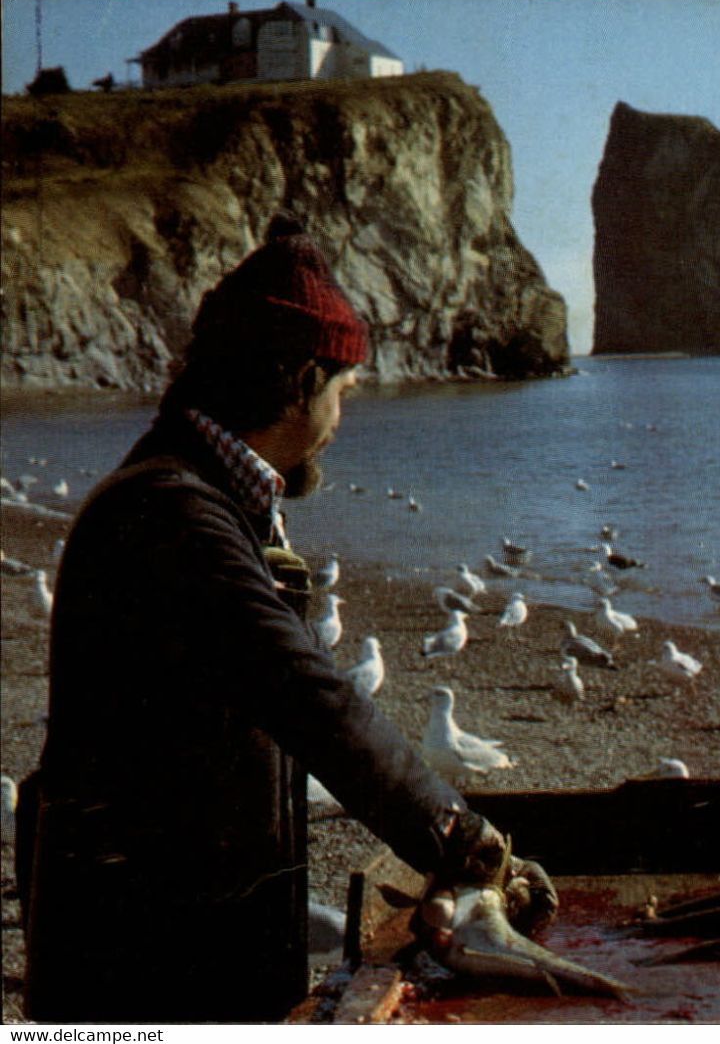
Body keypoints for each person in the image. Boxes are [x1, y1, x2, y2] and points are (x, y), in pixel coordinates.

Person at [21, 217, 553, 1022]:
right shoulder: (171, 512)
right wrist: (466, 844)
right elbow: (307, 694)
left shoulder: (199, 496)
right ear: (301, 379)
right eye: (340, 392)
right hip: (143, 962)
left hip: (169, 930)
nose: (342, 416)